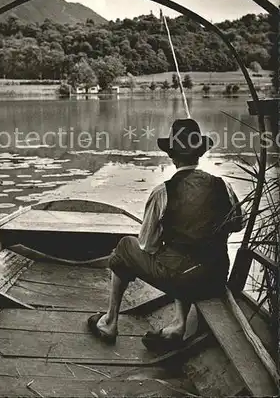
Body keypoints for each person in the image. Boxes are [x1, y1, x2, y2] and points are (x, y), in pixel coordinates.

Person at [87, 118, 243, 349]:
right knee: (183, 254)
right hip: (216, 277)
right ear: (199, 154)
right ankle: (179, 324)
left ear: (171, 155)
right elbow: (238, 223)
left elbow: (147, 246)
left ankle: (109, 322)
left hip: (184, 280)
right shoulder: (224, 186)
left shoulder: (162, 192)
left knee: (124, 248)